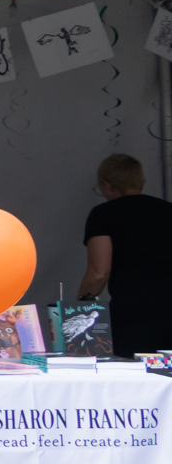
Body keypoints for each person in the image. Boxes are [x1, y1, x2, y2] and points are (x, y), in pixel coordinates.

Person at [79, 152, 172, 357]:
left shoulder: (103, 214)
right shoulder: (168, 210)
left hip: (133, 316)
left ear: (108, 185)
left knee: (133, 381)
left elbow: (99, 273)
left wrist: (79, 306)